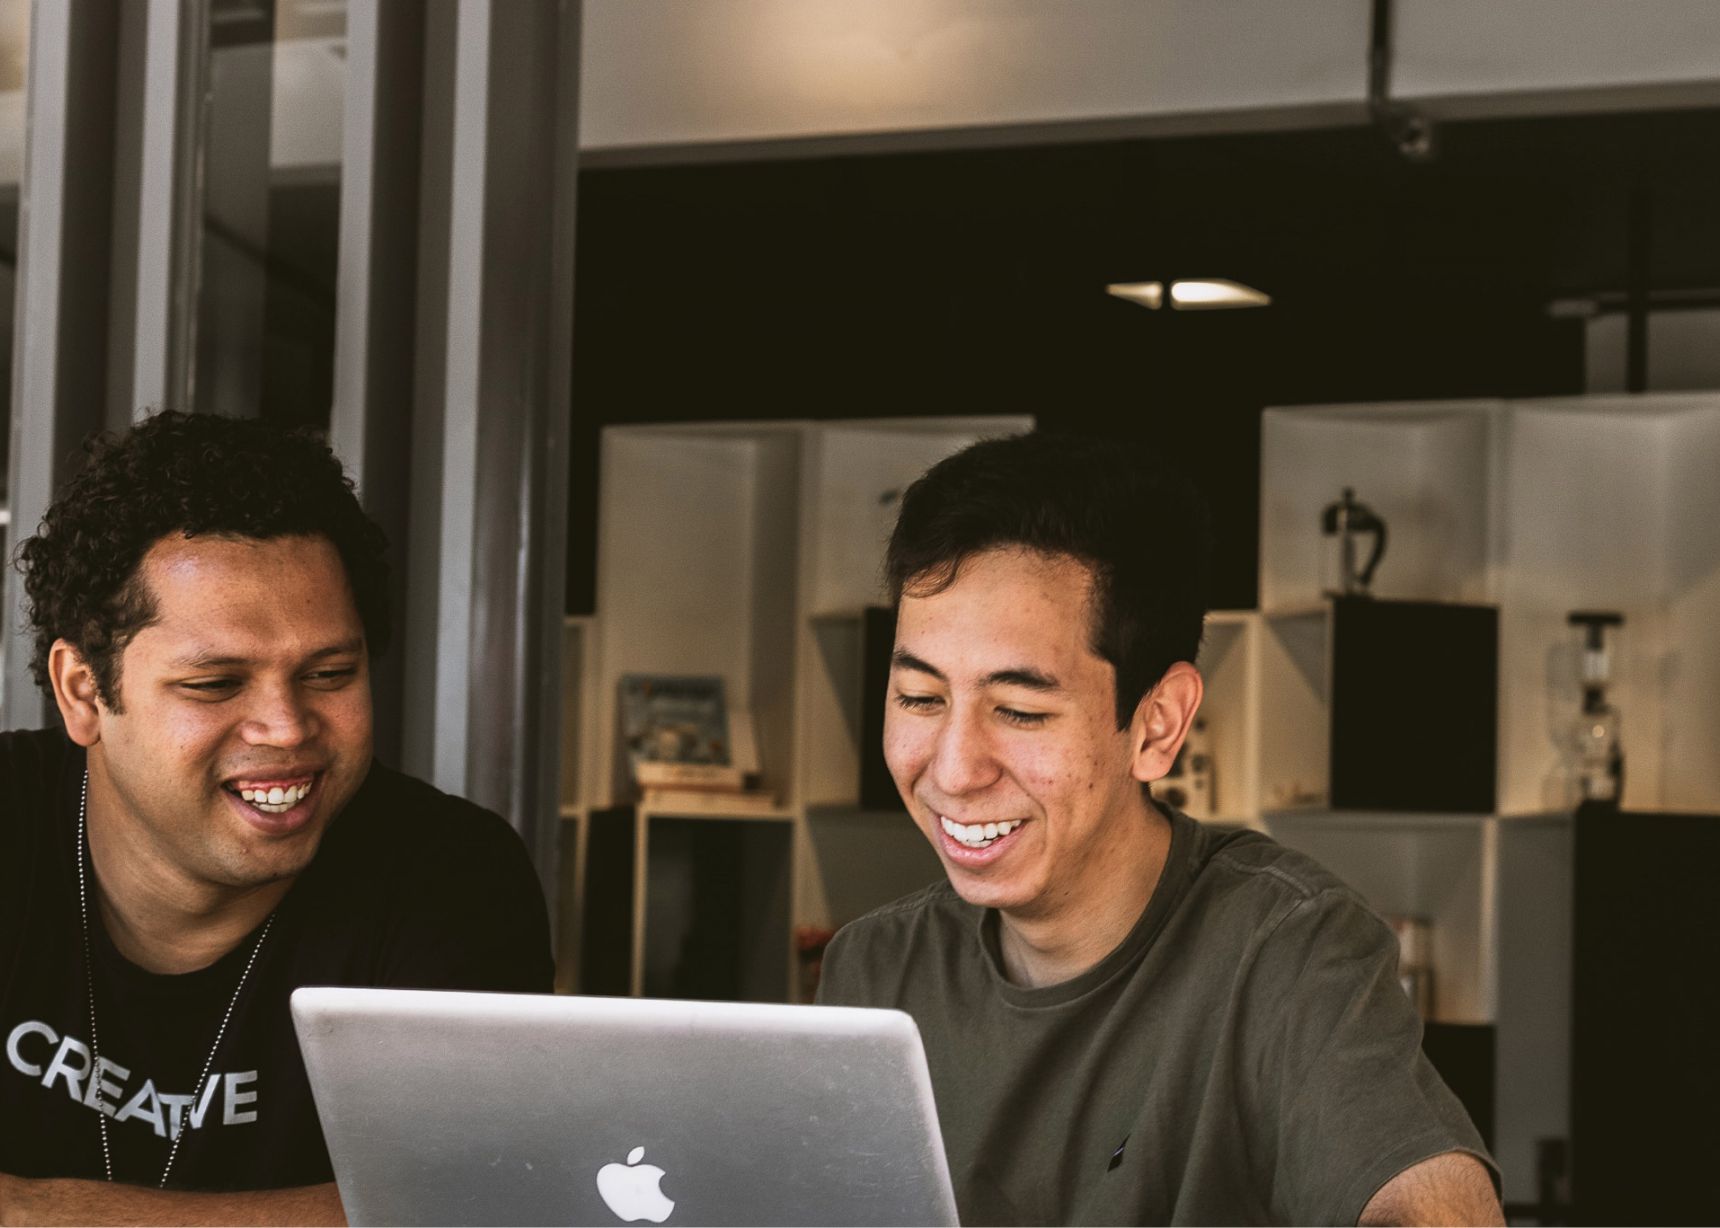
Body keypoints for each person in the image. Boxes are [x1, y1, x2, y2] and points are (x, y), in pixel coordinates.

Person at [817, 432, 1504, 1226]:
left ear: (1158, 724)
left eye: (1019, 710)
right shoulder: (876, 972)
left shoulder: (1288, 952)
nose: (955, 768)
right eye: (920, 698)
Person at [0, 412, 552, 1225]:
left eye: (329, 674)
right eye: (216, 684)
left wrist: (34, 1211)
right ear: (83, 692)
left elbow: (467, 1208)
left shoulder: (451, 876)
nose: (287, 729)